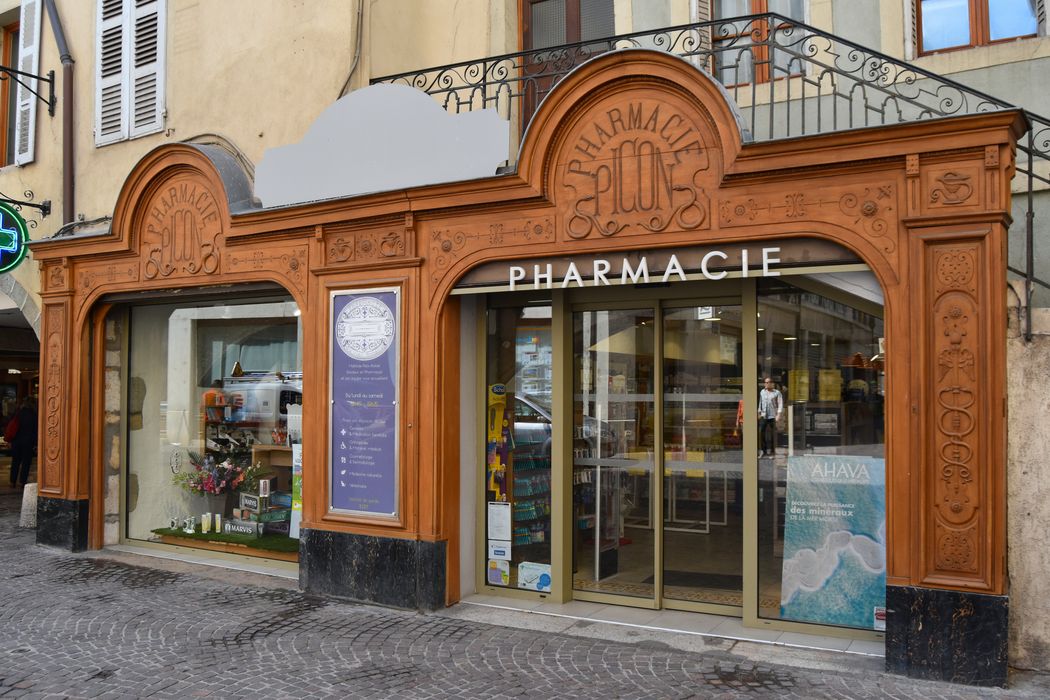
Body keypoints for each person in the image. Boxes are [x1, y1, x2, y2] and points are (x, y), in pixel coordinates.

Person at [8, 397, 37, 487]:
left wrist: (10, 440)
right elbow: (35, 430)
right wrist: (35, 443)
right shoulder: (33, 415)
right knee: (26, 463)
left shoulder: (17, 413)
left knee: (15, 461)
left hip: (16, 441)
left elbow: (11, 426)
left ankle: (12, 481)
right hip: (28, 442)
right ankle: (22, 481)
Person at [758, 377, 783, 458]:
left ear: (772, 383)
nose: (766, 384)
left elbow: (780, 404)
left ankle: (772, 452)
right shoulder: (762, 392)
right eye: (765, 382)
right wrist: (759, 412)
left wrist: (778, 414)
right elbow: (760, 402)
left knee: (773, 434)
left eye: (768, 382)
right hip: (764, 415)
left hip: (773, 416)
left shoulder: (777, 393)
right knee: (761, 433)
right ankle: (763, 451)